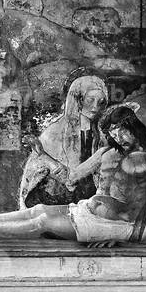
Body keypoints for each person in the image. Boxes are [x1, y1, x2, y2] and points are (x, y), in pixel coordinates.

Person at [0, 105, 146, 243]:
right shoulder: (106, 153)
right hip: (87, 210)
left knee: (43, 221)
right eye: (113, 132)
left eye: (122, 130)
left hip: (114, 226)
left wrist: (126, 239)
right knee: (38, 209)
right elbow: (71, 178)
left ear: (134, 126)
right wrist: (43, 155)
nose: (118, 137)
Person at [18, 74, 109, 208]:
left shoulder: (99, 134)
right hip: (53, 197)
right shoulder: (56, 131)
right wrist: (45, 158)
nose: (95, 107)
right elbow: (44, 173)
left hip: (86, 199)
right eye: (90, 100)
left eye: (101, 102)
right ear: (79, 99)